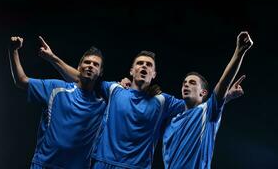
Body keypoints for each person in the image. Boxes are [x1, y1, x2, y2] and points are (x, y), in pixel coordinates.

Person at [38, 37, 185, 168]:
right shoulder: (114, 89)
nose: (144, 66)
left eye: (149, 65)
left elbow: (194, 106)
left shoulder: (163, 100)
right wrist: (52, 58)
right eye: (140, 63)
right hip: (103, 162)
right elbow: (81, 78)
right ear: (132, 71)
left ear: (154, 74)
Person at [8, 36, 106, 169]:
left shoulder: (104, 102)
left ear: (100, 72)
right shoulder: (56, 89)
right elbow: (21, 80)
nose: (90, 66)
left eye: (95, 64)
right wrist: (13, 51)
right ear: (79, 67)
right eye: (87, 62)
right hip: (44, 164)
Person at [162, 31, 253, 169]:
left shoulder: (207, 113)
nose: (186, 84)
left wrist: (239, 52)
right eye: (184, 82)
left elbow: (222, 84)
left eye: (192, 83)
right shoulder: (171, 121)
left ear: (203, 92)